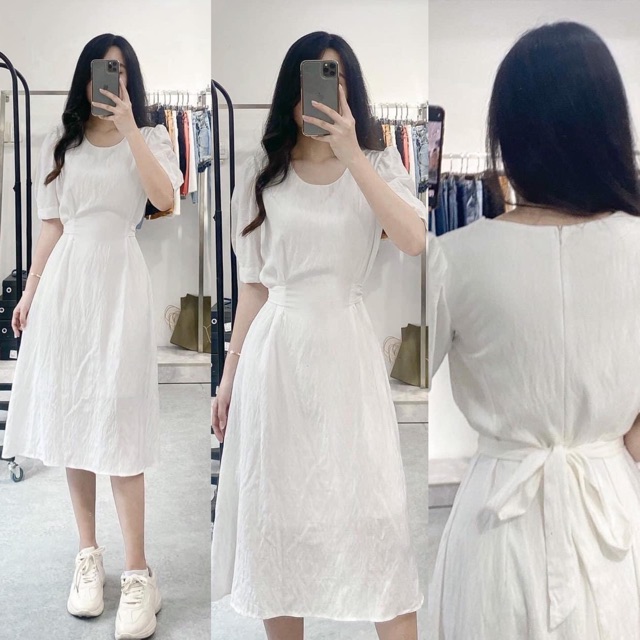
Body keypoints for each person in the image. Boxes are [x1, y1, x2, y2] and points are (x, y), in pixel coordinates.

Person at [211, 31, 427, 640]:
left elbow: (413, 240)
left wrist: (353, 154)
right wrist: (227, 378)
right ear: (293, 87)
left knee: (377, 521)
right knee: (280, 521)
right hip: (276, 357)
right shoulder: (262, 171)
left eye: (338, 79)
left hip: (346, 355)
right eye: (315, 77)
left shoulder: (378, 164)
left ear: (351, 92)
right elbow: (253, 287)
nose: (325, 91)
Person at [428, 22, 640, 640]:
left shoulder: (455, 257)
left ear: (509, 135)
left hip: (494, 527)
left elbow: (396, 382)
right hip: (610, 530)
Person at [3, 33, 182, 640]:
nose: (111, 78)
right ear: (85, 77)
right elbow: (52, 225)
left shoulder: (151, 137)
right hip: (68, 288)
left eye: (121, 70)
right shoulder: (63, 140)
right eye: (102, 70)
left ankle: (138, 572)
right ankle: (88, 555)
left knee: (121, 423)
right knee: (76, 420)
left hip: (120, 283)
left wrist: (130, 127)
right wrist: (30, 292)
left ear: (131, 80)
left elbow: (165, 198)